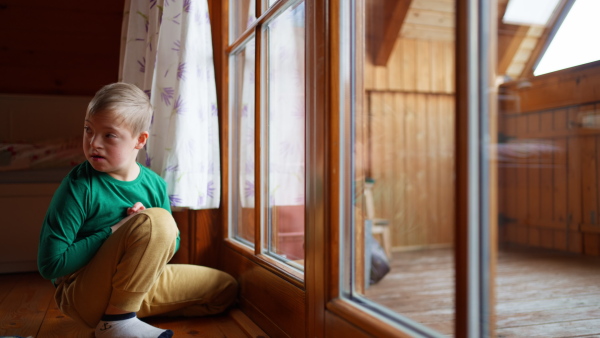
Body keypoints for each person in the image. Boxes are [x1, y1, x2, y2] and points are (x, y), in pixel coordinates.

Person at [37, 82, 238, 338]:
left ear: (140, 140)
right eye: (88, 130)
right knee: (157, 221)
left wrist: (144, 233)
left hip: (134, 284)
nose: (93, 143)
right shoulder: (78, 186)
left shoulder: (154, 184)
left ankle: (122, 315)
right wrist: (118, 230)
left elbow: (172, 244)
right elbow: (50, 265)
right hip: (82, 293)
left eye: (108, 135)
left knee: (224, 290)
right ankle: (115, 323)